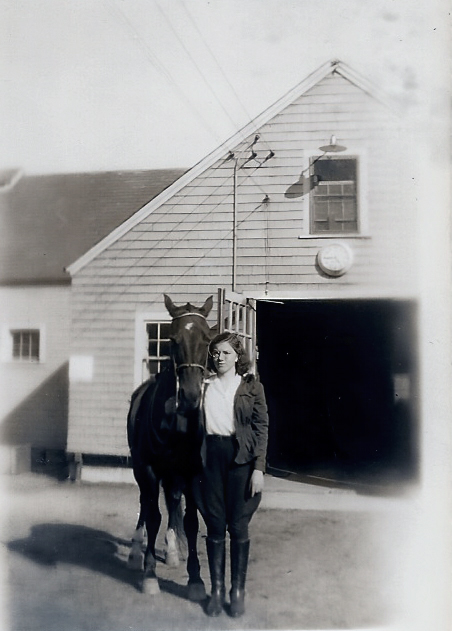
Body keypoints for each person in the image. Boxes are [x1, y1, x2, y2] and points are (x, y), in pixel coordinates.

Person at [193, 332, 269, 618]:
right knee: (214, 524)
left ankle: (237, 592)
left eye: (225, 353)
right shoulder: (203, 387)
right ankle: (216, 591)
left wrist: (259, 469)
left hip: (241, 461)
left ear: (238, 356)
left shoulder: (251, 388)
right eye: (215, 353)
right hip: (210, 459)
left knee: (237, 525)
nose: (219, 358)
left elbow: (262, 430)